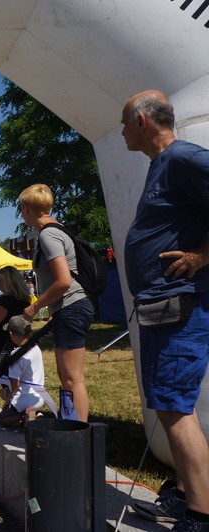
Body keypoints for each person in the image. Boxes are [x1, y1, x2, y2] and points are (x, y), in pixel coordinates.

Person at [119, 90, 209, 530]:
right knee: (168, 403)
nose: (119, 131)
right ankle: (182, 491)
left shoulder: (183, 158)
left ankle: (200, 515)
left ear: (141, 121)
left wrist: (200, 256)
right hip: (162, 307)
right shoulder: (162, 165)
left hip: (182, 307)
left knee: (175, 407)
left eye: (123, 123)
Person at [19, 184, 94, 422]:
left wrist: (34, 307)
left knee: (72, 378)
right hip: (69, 308)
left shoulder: (48, 235)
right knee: (68, 377)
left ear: (27, 209)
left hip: (72, 306)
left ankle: (78, 432)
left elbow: (63, 281)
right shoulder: (57, 229)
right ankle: (71, 424)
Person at [0, 316, 45, 427]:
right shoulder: (36, 348)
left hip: (23, 400)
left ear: (11, 334)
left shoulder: (16, 355)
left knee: (3, 419)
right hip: (39, 397)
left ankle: (24, 415)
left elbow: (15, 386)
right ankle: (36, 413)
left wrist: (7, 401)